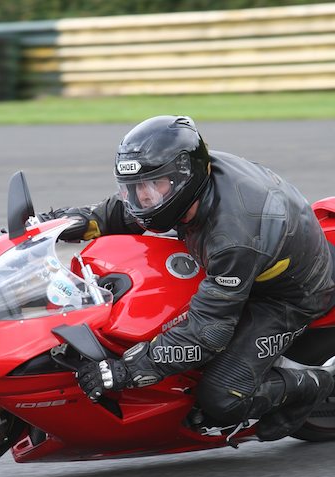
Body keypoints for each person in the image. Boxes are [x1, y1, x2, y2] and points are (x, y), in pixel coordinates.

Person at [40, 115, 335, 441]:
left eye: (152, 186)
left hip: (288, 295)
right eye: (134, 187)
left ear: (184, 177)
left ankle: (318, 383)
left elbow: (207, 333)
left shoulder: (231, 239)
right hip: (251, 259)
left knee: (222, 398)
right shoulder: (184, 181)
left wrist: (128, 370)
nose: (143, 198)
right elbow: (122, 212)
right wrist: (58, 224)